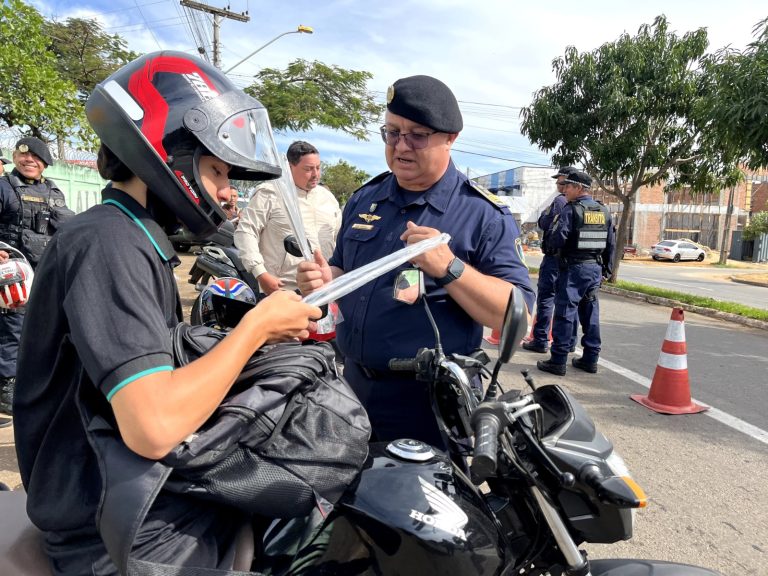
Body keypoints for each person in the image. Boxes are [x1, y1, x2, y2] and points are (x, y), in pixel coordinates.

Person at [13, 51, 321, 575]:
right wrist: (254, 329)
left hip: (130, 491)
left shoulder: (134, 237)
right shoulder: (107, 243)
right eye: (217, 170)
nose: (228, 193)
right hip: (110, 525)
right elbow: (153, 425)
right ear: (165, 154)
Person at [297, 74, 535, 447]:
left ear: (450, 139)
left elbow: (516, 317)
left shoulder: (483, 214)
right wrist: (326, 279)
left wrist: (450, 268)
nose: (401, 146)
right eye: (392, 133)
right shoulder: (366, 199)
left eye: (417, 135)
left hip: (428, 407)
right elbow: (343, 267)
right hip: (351, 387)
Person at [0, 137, 73, 427]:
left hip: (44, 267)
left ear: (45, 162)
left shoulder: (52, 190)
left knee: (47, 324)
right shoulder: (4, 186)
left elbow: (66, 227)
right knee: (13, 325)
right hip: (12, 270)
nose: (28, 161)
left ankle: (37, 378)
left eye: (35, 157)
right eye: (23, 156)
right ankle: (7, 384)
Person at [235, 140, 340, 294]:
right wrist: (261, 274)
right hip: (282, 289)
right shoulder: (270, 193)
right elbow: (246, 231)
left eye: (318, 168)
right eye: (308, 169)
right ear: (290, 167)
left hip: (322, 290)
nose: (316, 174)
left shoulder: (328, 199)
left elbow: (338, 238)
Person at [537, 170, 614, 376]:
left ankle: (558, 360)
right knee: (590, 314)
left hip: (573, 269)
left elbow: (557, 239)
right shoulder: (603, 211)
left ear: (579, 188)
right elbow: (610, 244)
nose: (565, 190)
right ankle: (590, 359)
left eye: (569, 186)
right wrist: (606, 269)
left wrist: (552, 246)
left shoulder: (571, 211)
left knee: (565, 313)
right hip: (594, 269)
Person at [523, 166, 579, 354]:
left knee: (547, 298)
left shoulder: (559, 201)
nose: (557, 183)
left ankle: (540, 340)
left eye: (560, 179)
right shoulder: (582, 205)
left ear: (569, 181)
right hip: (573, 260)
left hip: (554, 258)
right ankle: (569, 342)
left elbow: (544, 222)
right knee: (570, 301)